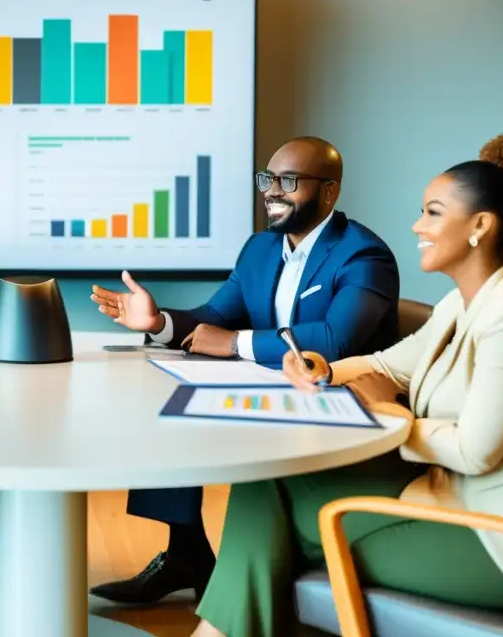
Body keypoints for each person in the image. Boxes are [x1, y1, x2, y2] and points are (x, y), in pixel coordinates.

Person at [190, 147, 503, 637]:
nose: (416, 226)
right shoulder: (459, 305)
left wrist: (391, 415)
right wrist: (326, 367)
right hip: (439, 497)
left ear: (479, 227)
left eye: (432, 213)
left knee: (272, 526)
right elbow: (388, 364)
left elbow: (475, 452)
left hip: (494, 540)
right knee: (265, 482)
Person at [88, 136, 401, 605]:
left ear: (330, 192)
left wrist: (236, 343)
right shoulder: (259, 249)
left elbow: (337, 340)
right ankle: (186, 551)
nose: (272, 191)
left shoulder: (363, 255)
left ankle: (242, 572)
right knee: (168, 405)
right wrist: (159, 323)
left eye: (288, 181)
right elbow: (215, 316)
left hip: (337, 402)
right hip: (278, 389)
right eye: (267, 180)